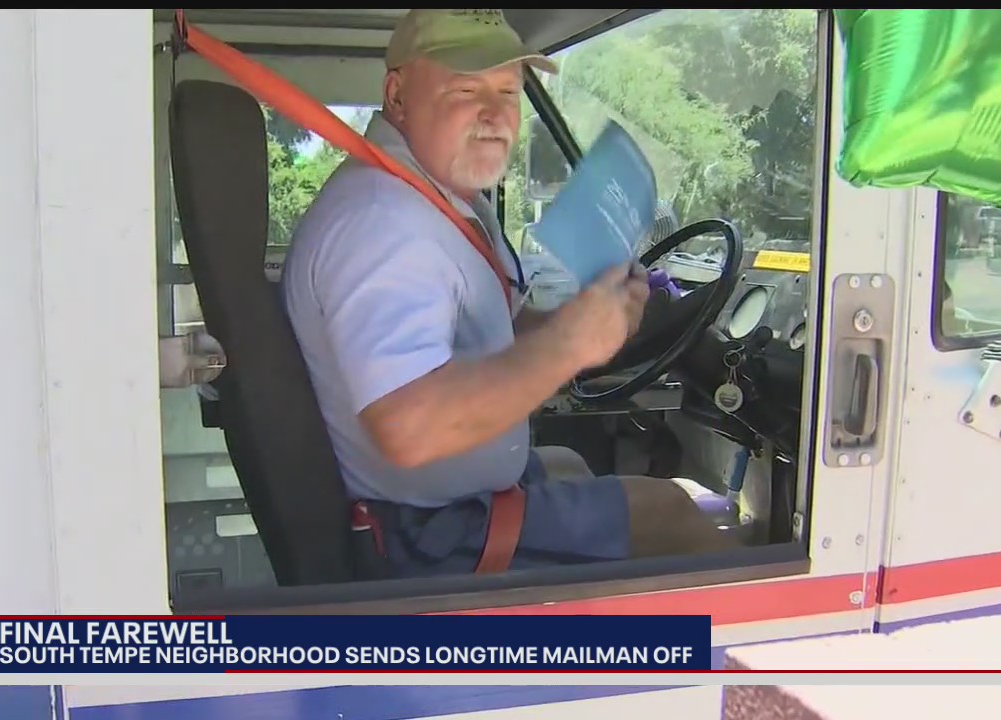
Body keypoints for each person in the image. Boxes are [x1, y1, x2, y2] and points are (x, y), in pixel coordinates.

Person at [280, 9, 736, 577]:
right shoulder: (384, 222)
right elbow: (409, 429)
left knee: (569, 461)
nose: (496, 116)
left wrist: (581, 323)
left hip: (451, 505)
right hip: (427, 537)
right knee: (675, 515)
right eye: (467, 90)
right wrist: (568, 347)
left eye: (508, 91)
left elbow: (500, 328)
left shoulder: (440, 197)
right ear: (397, 96)